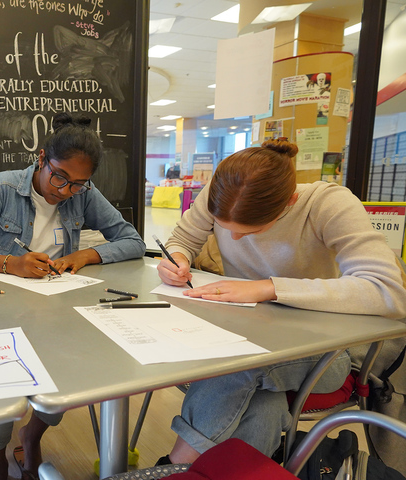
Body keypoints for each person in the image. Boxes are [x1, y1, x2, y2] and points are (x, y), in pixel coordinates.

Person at [156, 138, 406, 464]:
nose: (233, 239)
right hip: (251, 332)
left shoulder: (327, 204)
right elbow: (183, 240)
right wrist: (175, 259)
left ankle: (174, 467)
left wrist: (270, 288)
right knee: (264, 406)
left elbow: (389, 292)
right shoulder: (222, 193)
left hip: (328, 352)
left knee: (237, 362)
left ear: (289, 201)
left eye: (251, 231)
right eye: (223, 227)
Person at [0, 112, 145, 480]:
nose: (65, 191)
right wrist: (10, 263)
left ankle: (33, 433)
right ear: (41, 158)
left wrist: (84, 255)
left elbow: (133, 241)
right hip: (2, 304)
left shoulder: (85, 194)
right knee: (1, 384)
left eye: (78, 184)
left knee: (69, 373)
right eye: (59, 177)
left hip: (59, 307)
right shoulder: (1, 188)